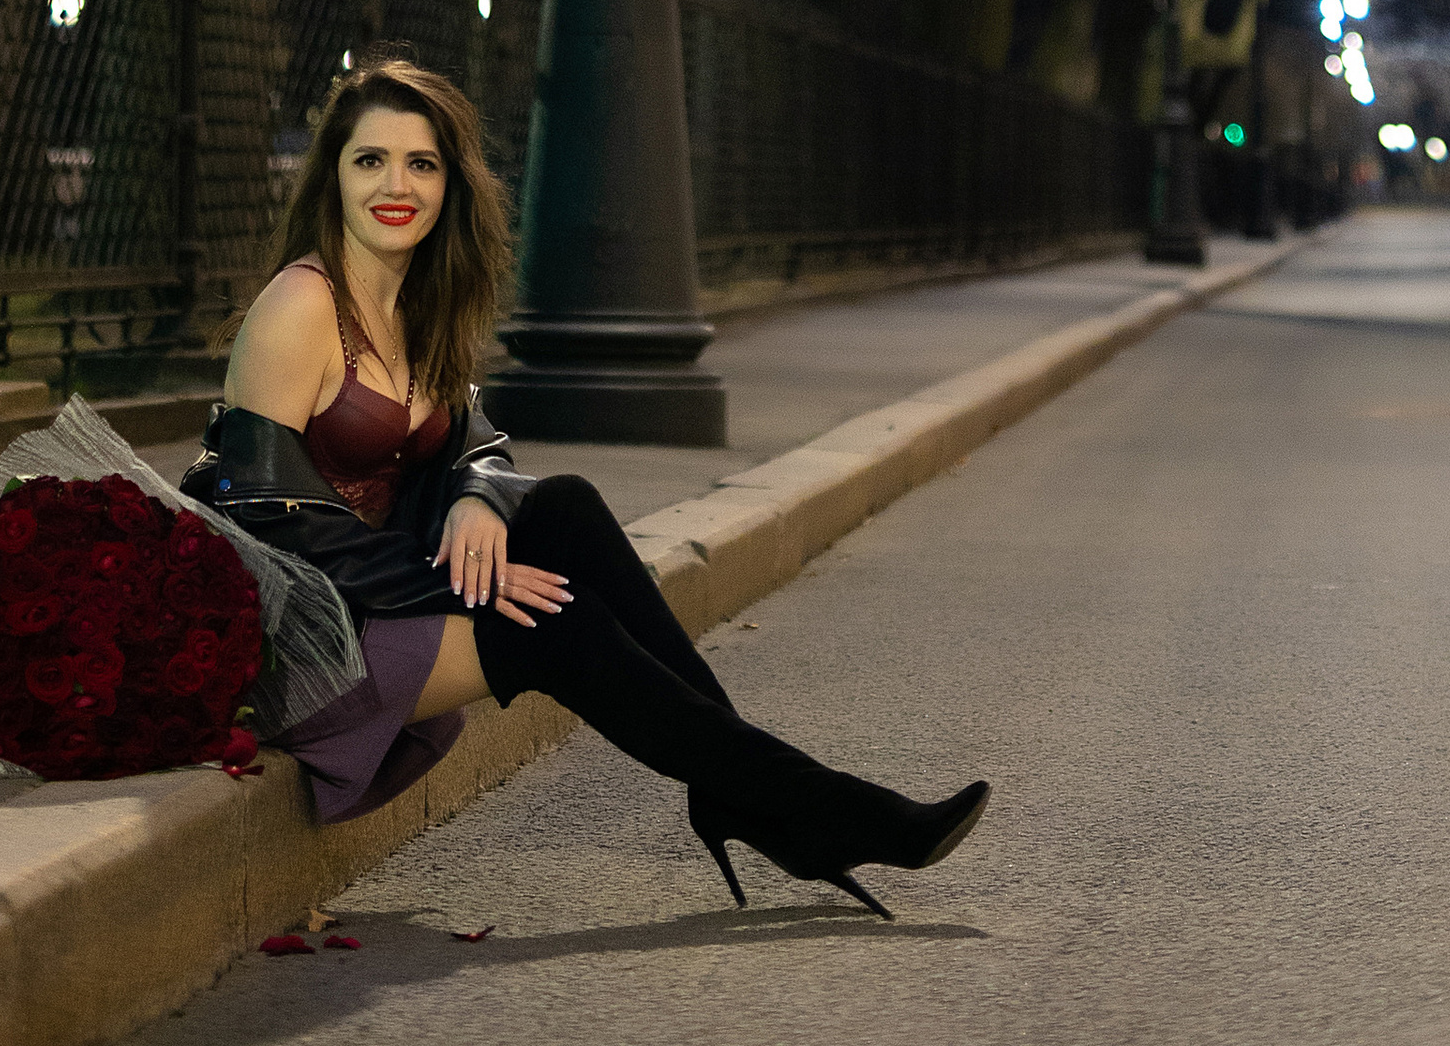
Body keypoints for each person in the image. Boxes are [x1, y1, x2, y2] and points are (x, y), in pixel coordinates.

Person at [181, 55, 988, 915]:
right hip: (308, 637)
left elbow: (476, 439)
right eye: (369, 160)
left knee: (561, 504)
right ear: (332, 176)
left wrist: (475, 498)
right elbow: (261, 517)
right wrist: (449, 583)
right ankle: (819, 810)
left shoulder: (416, 304)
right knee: (558, 621)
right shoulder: (301, 306)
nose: (397, 186)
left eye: (422, 164)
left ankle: (748, 793)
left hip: (376, 599)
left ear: (452, 183)